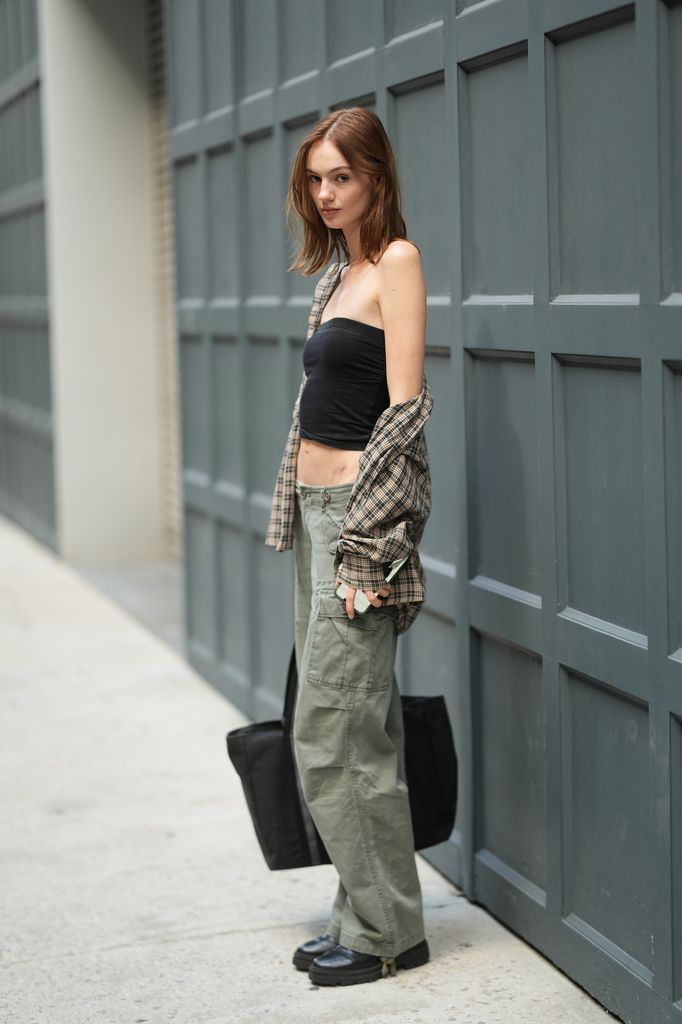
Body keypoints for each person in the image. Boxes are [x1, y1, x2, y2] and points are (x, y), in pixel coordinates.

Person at [265, 107, 434, 987]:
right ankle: (361, 912)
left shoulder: (395, 264)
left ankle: (387, 936)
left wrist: (372, 549)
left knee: (335, 730)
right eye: (317, 180)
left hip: (356, 527)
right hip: (315, 517)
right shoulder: (336, 275)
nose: (327, 194)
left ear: (376, 175)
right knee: (342, 721)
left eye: (341, 176)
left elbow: (402, 419)